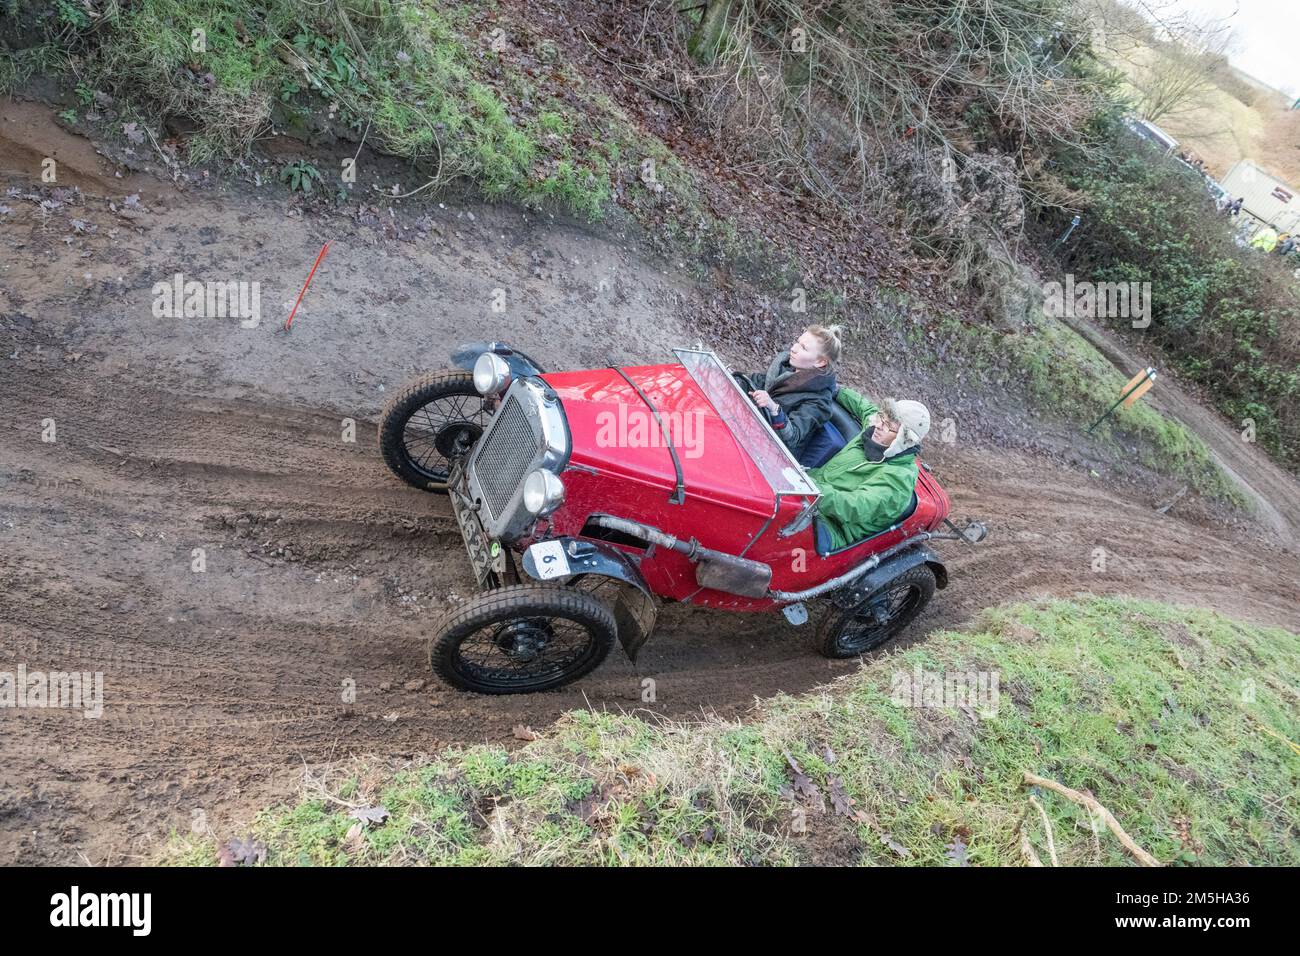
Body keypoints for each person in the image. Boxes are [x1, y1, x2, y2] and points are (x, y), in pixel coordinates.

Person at [806, 389, 930, 552]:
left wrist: (807, 486)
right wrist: (835, 389)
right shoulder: (875, 433)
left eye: (887, 425)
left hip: (829, 525)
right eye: (881, 418)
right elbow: (865, 407)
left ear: (904, 439)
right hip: (810, 494)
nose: (878, 425)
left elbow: (852, 507)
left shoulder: (897, 481)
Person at [738, 324, 842, 465]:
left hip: (772, 458)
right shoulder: (786, 368)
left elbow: (793, 437)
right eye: (797, 342)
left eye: (804, 348)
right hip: (749, 429)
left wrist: (774, 409)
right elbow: (755, 382)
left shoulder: (819, 401)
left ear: (820, 361)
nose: (793, 349)